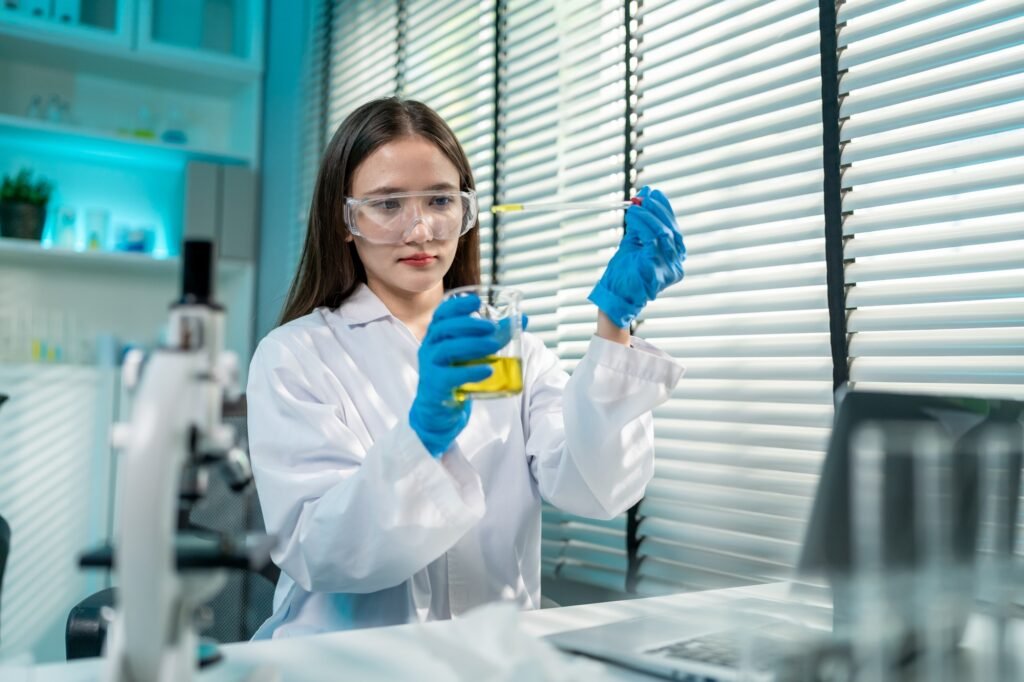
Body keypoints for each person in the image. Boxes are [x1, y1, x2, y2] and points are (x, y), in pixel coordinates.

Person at [247, 97, 687, 638]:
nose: (421, 230)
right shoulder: (295, 355)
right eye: (387, 205)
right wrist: (421, 437)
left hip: (493, 660)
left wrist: (614, 324)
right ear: (344, 223)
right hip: (347, 665)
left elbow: (594, 488)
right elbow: (320, 551)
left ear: (466, 210)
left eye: (439, 200)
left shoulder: (514, 351)